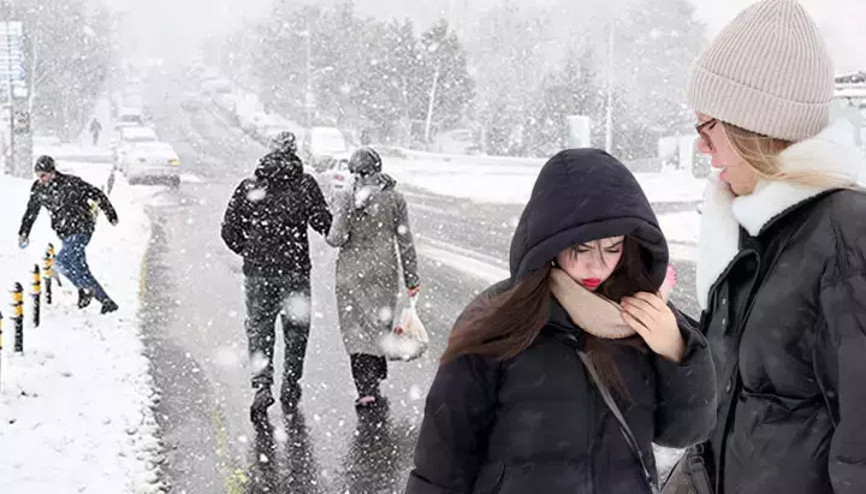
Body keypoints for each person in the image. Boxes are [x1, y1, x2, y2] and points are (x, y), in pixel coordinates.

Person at [406, 149, 716, 493]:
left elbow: (685, 432)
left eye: (612, 248)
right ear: (549, 243)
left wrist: (676, 350)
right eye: (581, 249)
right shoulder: (497, 317)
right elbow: (444, 457)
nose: (598, 266)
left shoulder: (643, 316)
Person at [686, 0, 866, 492]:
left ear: (755, 127)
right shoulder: (747, 227)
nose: (702, 145)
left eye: (709, 125)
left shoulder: (846, 236)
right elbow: (736, 405)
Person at [221, 131, 332, 420]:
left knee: (259, 329)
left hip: (259, 272)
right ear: (295, 153)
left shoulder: (251, 186)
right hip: (295, 271)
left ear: (269, 153)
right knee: (296, 330)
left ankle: (262, 385)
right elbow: (323, 223)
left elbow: (228, 229)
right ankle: (291, 382)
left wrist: (249, 250)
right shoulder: (305, 185)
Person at [326, 147, 421, 408]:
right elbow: (405, 240)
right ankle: (375, 377)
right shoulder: (395, 198)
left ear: (354, 170)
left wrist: (334, 216)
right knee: (378, 324)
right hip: (384, 270)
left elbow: (337, 238)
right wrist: (412, 278)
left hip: (351, 273)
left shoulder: (347, 197)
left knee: (356, 329)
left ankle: (365, 388)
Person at [18, 155, 120, 314]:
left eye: (43, 175)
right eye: (38, 176)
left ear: (52, 172)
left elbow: (97, 194)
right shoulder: (39, 189)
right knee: (80, 268)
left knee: (61, 263)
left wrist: (110, 214)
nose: (41, 179)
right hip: (64, 233)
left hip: (81, 229)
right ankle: (106, 301)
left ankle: (84, 288)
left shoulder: (72, 183)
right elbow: (31, 212)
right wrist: (24, 233)